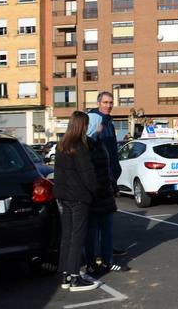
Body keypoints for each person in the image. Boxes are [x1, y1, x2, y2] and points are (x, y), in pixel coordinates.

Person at [53, 111, 100, 292]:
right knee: (77, 237)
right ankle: (74, 277)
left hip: (64, 196)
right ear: (83, 125)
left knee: (67, 236)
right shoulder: (80, 146)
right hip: (79, 197)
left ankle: (65, 275)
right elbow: (88, 175)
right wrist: (95, 192)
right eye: (86, 125)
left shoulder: (61, 145)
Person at [84, 121, 127, 276]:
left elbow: (107, 169)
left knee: (107, 231)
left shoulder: (101, 144)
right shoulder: (85, 146)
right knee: (91, 233)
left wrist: (114, 187)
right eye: (99, 126)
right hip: (93, 196)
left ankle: (108, 262)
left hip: (105, 194)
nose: (102, 129)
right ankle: (91, 263)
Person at [87, 92, 126, 257]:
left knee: (106, 215)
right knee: (97, 217)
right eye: (105, 102)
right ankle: (94, 252)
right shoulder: (94, 119)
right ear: (98, 103)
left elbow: (111, 149)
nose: (108, 105)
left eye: (111, 102)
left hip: (109, 172)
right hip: (100, 173)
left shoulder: (109, 121)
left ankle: (106, 248)